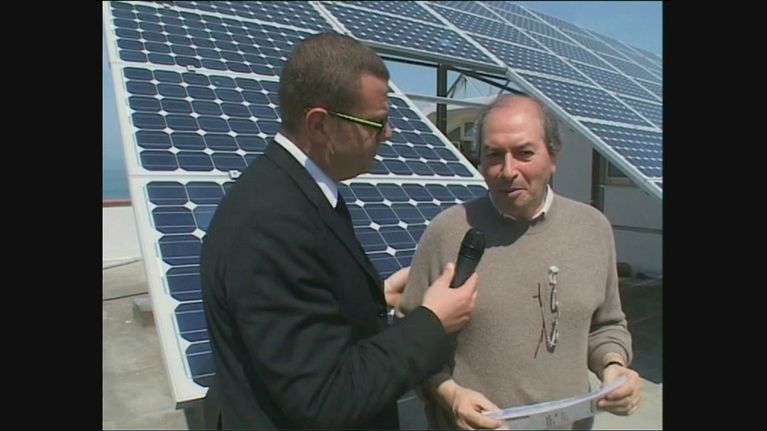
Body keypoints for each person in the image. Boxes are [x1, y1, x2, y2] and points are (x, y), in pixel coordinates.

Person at [199, 33, 480, 430]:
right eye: (376, 123)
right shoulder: (272, 224)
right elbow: (326, 397)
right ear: (320, 125)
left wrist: (373, 298)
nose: (388, 133)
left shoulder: (295, 192)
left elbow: (300, 312)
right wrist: (432, 321)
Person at [397, 94, 643, 429]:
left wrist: (614, 366)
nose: (508, 171)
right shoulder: (448, 233)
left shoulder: (592, 229)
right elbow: (410, 341)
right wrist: (450, 395)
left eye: (524, 153)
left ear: (553, 157)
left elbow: (606, 326)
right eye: (494, 155)